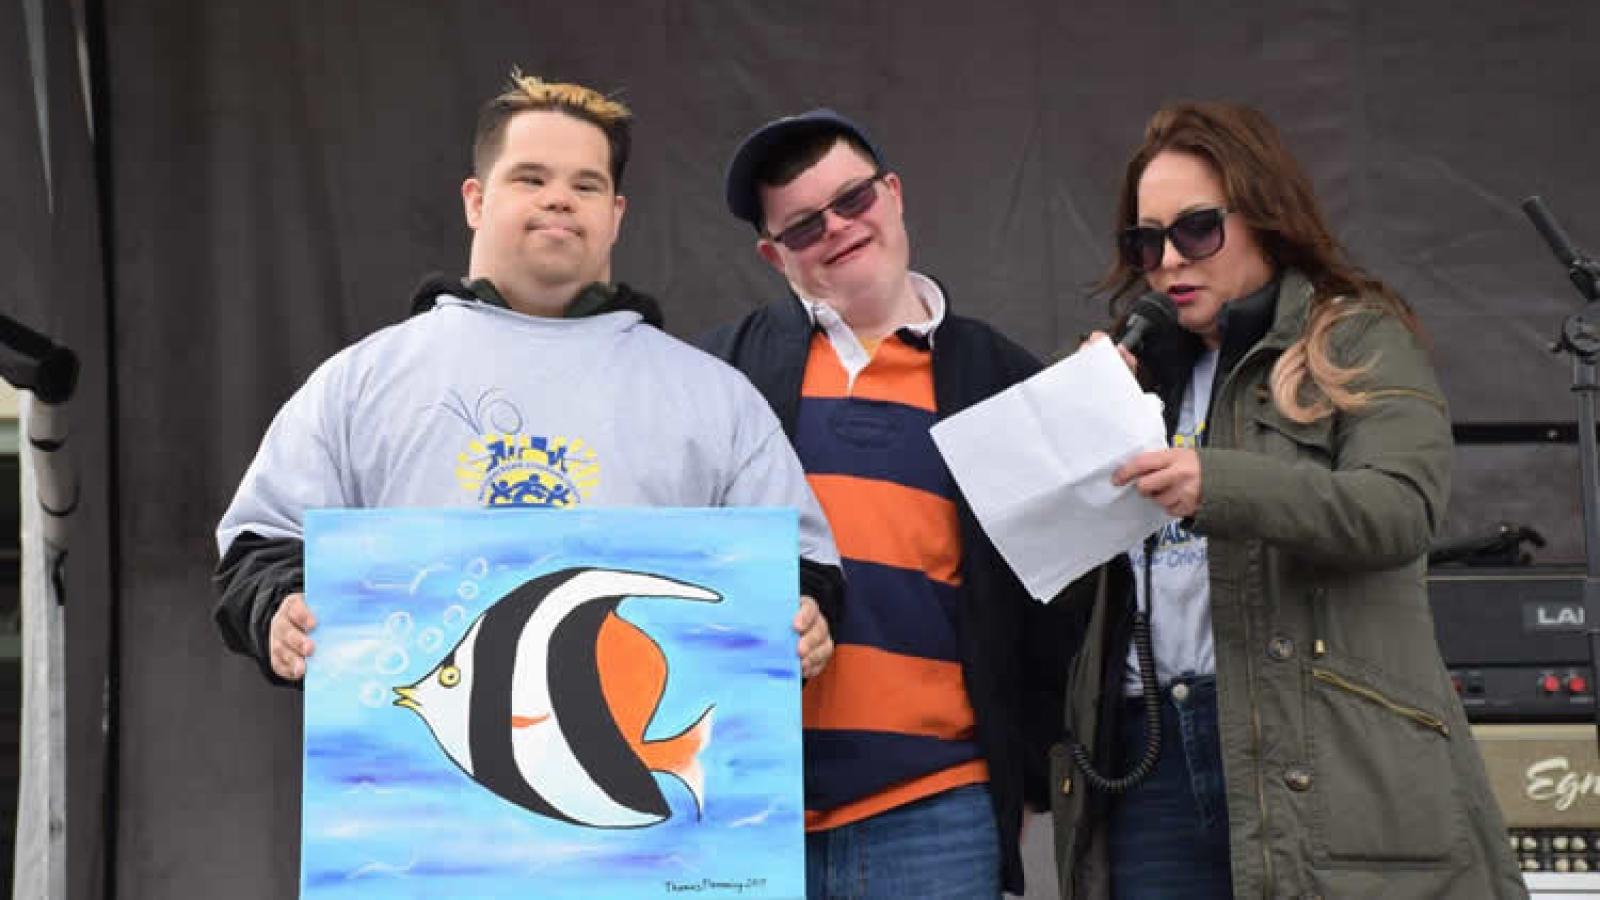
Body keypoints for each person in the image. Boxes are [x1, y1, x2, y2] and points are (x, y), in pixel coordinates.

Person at [213, 74, 841, 688]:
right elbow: (262, 547)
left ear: (616, 215)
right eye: (531, 178)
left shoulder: (715, 398)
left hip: (640, 767)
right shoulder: (360, 383)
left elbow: (799, 569)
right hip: (413, 785)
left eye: (586, 185)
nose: (559, 199)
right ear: (476, 200)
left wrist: (807, 619)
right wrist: (278, 611)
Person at [1049, 101, 1525, 899]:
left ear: (1265, 217)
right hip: (1150, 752)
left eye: (1196, 230)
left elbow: (1399, 510)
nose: (1167, 260)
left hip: (1308, 743)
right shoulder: (1139, 375)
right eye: (1145, 241)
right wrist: (1075, 426)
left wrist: (1217, 483)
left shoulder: (1355, 339)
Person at [700, 109, 1080, 898]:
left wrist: (1028, 775)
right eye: (804, 226)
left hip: (937, 810)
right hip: (743, 811)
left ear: (895, 194)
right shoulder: (719, 376)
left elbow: (1062, 603)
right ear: (774, 256)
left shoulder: (1006, 380)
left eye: (853, 200)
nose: (837, 228)